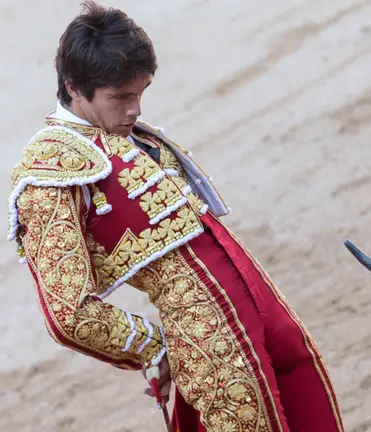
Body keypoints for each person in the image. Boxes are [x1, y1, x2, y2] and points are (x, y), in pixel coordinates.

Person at [7, 2, 345, 431]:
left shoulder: (125, 134)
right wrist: (153, 347)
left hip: (263, 308)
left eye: (141, 92)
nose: (136, 110)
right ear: (74, 88)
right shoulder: (49, 169)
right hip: (209, 339)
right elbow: (68, 311)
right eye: (121, 97)